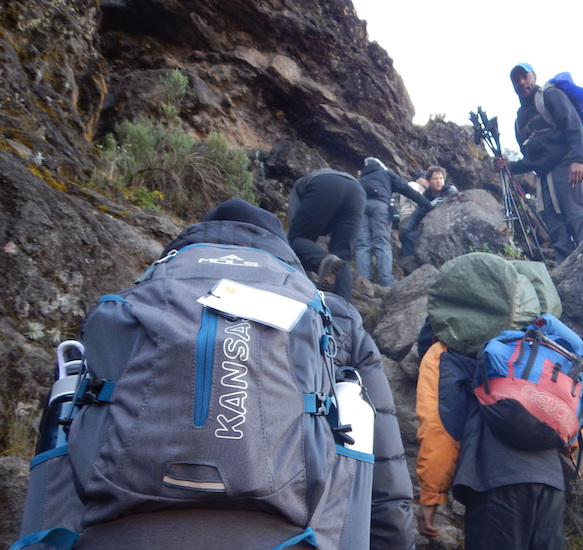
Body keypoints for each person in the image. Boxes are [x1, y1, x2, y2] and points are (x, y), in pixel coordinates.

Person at [65, 198, 416, 549]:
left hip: (120, 534)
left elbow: (69, 430)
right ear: (281, 250)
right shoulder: (331, 313)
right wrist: (393, 540)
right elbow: (381, 451)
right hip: (289, 534)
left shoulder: (133, 301)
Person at [414, 327, 567, 550]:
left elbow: (440, 429)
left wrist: (431, 496)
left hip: (495, 481)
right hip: (550, 481)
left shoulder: (443, 353)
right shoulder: (527, 346)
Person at [493, 62, 583, 264]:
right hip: (544, 179)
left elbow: (574, 126)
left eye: (525, 76)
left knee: (580, 218)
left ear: (534, 77)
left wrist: (578, 160)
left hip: (568, 167)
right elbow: (531, 159)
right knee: (557, 229)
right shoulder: (519, 119)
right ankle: (568, 275)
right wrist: (509, 166)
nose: (522, 82)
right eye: (516, 79)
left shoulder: (550, 96)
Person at [288, 167, 365, 301]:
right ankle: (344, 311)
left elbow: (296, 226)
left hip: (324, 184)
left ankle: (321, 260)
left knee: (296, 239)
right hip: (357, 192)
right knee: (343, 256)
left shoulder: (299, 187)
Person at [356, 157, 432, 287]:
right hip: (380, 206)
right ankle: (387, 282)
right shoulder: (385, 174)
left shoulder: (361, 179)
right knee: (382, 243)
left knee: (362, 245)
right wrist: (428, 205)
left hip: (360, 206)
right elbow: (408, 191)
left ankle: (364, 282)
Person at [399, 166, 458, 257]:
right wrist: (405, 229)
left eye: (441, 178)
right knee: (407, 237)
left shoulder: (449, 191)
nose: (439, 181)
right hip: (428, 226)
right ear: (428, 181)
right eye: (435, 178)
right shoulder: (426, 196)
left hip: (444, 227)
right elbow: (416, 214)